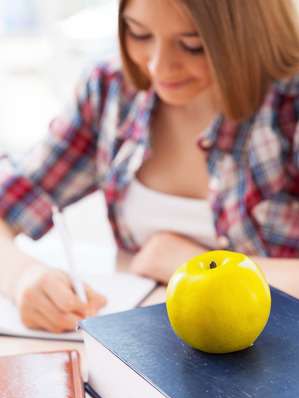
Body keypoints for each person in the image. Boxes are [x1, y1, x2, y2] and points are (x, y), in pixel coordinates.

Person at [0, 0, 299, 332]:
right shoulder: (110, 90)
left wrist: (187, 265)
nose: (159, 66)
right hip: (145, 349)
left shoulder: (289, 106)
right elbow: (8, 198)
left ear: (251, 33)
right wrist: (20, 275)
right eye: (139, 34)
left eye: (192, 45)